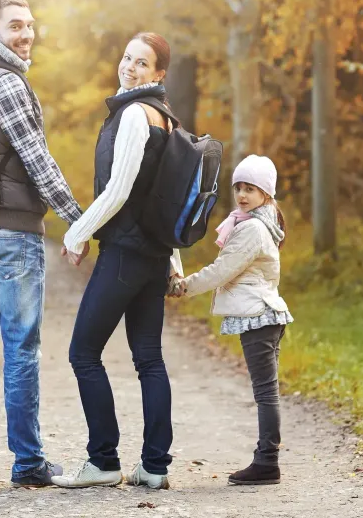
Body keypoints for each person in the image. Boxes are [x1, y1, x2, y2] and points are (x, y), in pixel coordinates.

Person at [0, 0, 84, 489]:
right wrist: (78, 220)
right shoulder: (6, 83)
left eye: (29, 25)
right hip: (12, 235)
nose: (26, 34)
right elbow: (37, 161)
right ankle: (28, 464)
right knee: (21, 350)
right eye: (14, 26)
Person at [52, 32, 183, 491]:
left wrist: (75, 232)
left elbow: (119, 190)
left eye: (142, 63)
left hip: (126, 253)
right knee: (149, 358)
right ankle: (154, 467)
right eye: (127, 58)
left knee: (83, 353)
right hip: (154, 256)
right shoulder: (168, 120)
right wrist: (175, 262)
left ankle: (103, 459)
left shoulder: (133, 114)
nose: (129, 67)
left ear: (159, 73)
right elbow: (167, 202)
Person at [170, 154, 292, 486]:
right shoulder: (256, 223)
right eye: (238, 187)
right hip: (263, 315)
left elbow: (223, 269)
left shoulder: (252, 228)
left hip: (259, 316)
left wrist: (185, 287)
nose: (242, 195)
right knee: (267, 391)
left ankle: (267, 462)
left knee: (265, 392)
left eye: (250, 188)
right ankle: (267, 459)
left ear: (266, 194)